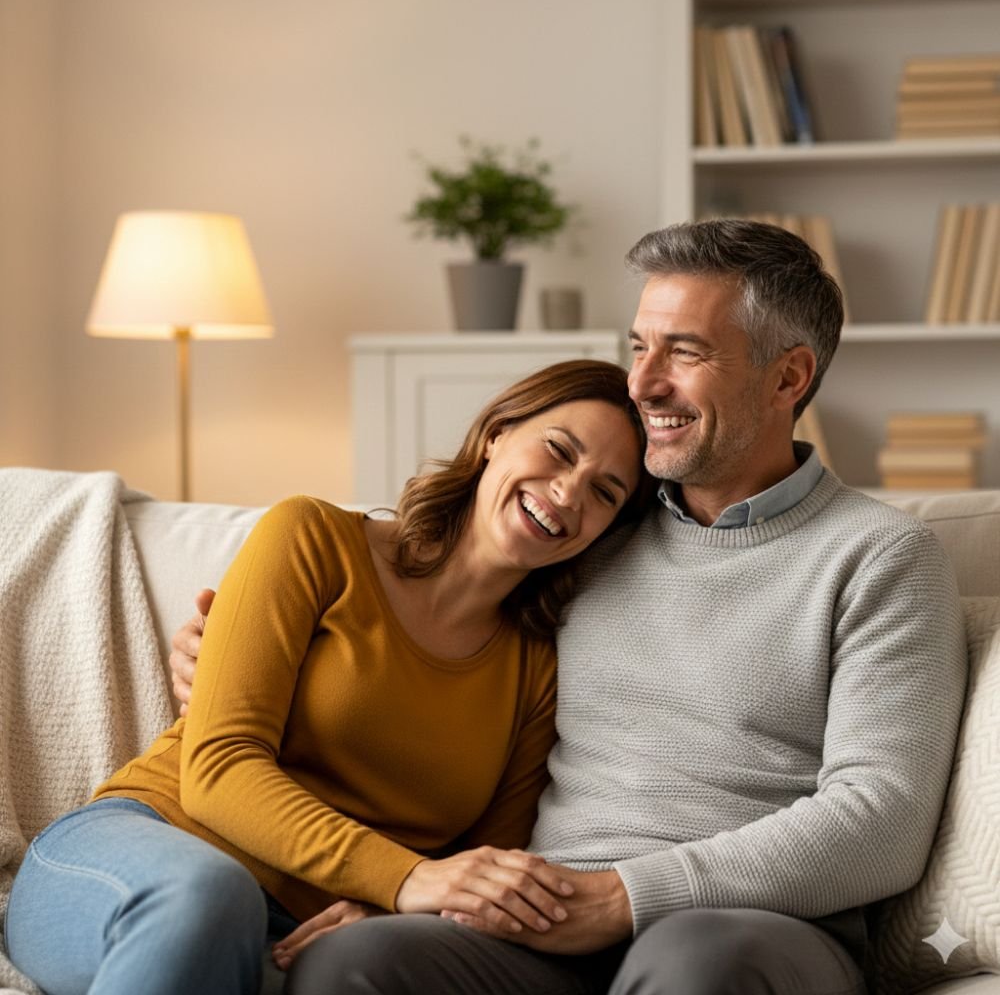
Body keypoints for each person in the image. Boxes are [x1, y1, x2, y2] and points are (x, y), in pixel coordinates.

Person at [173, 219, 967, 995]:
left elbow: (883, 820)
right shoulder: (588, 532)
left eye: (685, 352)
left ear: (788, 378)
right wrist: (237, 650)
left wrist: (624, 897)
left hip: (751, 927)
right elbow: (428, 640)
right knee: (357, 963)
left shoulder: (880, 557)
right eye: (639, 346)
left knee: (697, 961)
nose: (643, 383)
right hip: (547, 916)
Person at [3, 360, 654, 995]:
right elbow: (218, 766)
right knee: (211, 895)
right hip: (133, 853)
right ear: (496, 435)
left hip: (302, 933)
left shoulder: (538, 671)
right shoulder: (313, 537)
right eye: (559, 450)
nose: (569, 493)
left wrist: (391, 904)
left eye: (605, 492)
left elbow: (477, 871)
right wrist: (405, 878)